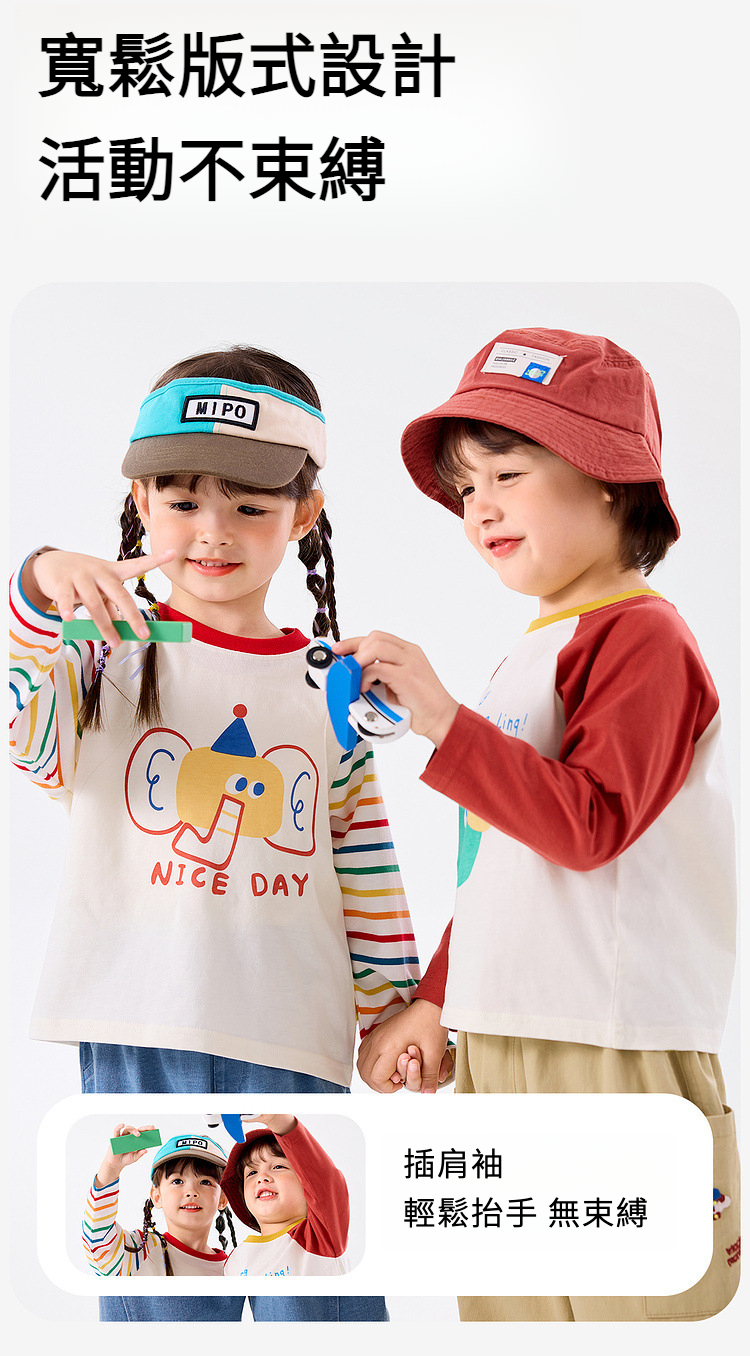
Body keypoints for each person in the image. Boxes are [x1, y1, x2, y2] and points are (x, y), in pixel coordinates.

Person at [10, 344, 420, 1321]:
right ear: (140, 502)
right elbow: (27, 740)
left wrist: (393, 1009)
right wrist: (39, 585)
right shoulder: (102, 655)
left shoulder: (330, 682)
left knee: (315, 1307)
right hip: (136, 1024)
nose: (212, 531)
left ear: (304, 514)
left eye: (250, 505)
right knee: (165, 1306)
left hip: (291, 1035)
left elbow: (362, 856)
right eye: (184, 499)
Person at [341, 328, 740, 1321]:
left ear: (608, 479)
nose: (479, 506)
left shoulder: (643, 636)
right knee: (512, 1320)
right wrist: (440, 1001)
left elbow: (591, 825)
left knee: (634, 1314)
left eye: (509, 474)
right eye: (466, 487)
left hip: (608, 1039)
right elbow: (501, 865)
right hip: (505, 1033)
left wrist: (444, 721)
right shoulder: (531, 653)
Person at [83, 1126, 234, 1280]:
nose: (191, 1191)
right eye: (177, 1181)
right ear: (157, 1197)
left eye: (205, 1182)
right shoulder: (139, 1253)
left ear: (223, 1198)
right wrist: (111, 1168)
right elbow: (98, 1243)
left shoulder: (233, 1269)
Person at [222, 1114, 351, 1278]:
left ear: (307, 1184)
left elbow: (325, 1179)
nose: (262, 1177)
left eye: (278, 1167)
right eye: (252, 1173)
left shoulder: (320, 1237)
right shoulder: (234, 1261)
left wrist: (276, 1118)